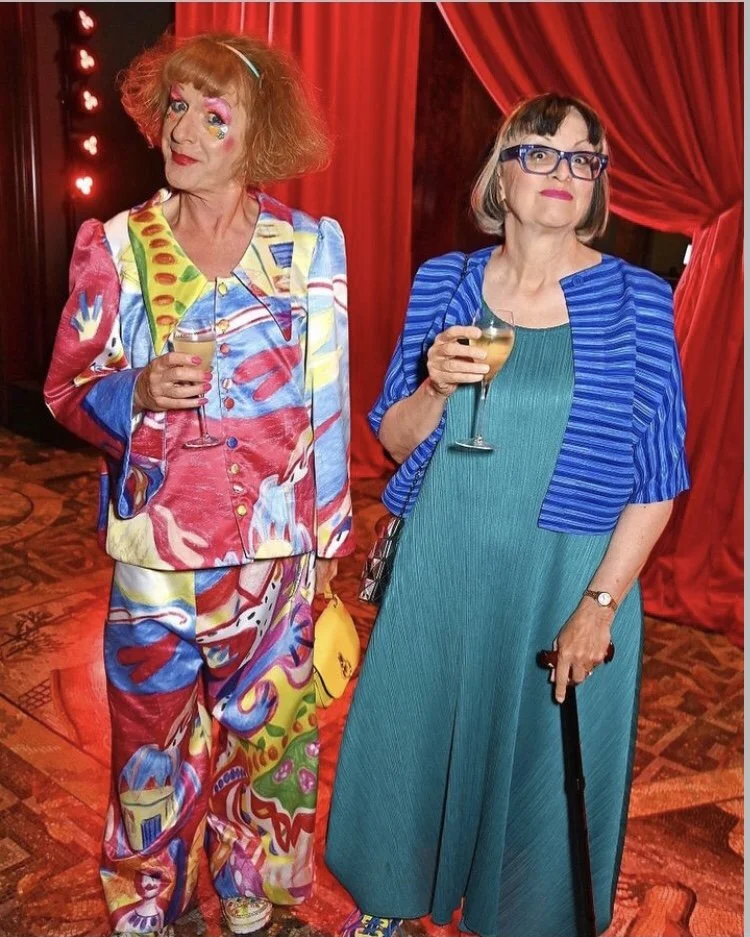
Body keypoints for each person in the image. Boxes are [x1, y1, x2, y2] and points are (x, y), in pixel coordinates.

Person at [325, 93, 689, 937]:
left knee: (537, 770)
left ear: (597, 185)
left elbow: (659, 477)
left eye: (583, 158)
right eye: (541, 151)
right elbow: (392, 436)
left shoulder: (636, 300)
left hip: (563, 574)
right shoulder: (444, 283)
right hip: (444, 562)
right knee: (411, 732)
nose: (563, 172)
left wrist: (598, 607)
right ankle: (391, 898)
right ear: (502, 172)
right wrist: (434, 385)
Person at [44, 32, 353, 937]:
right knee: (149, 743)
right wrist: (134, 389)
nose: (183, 129)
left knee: (272, 738)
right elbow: (64, 388)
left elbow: (326, 409)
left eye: (213, 115)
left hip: (274, 555)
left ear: (256, 140)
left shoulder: (307, 252)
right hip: (156, 557)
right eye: (177, 106)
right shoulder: (116, 246)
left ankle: (254, 887)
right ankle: (146, 899)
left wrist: (328, 543)